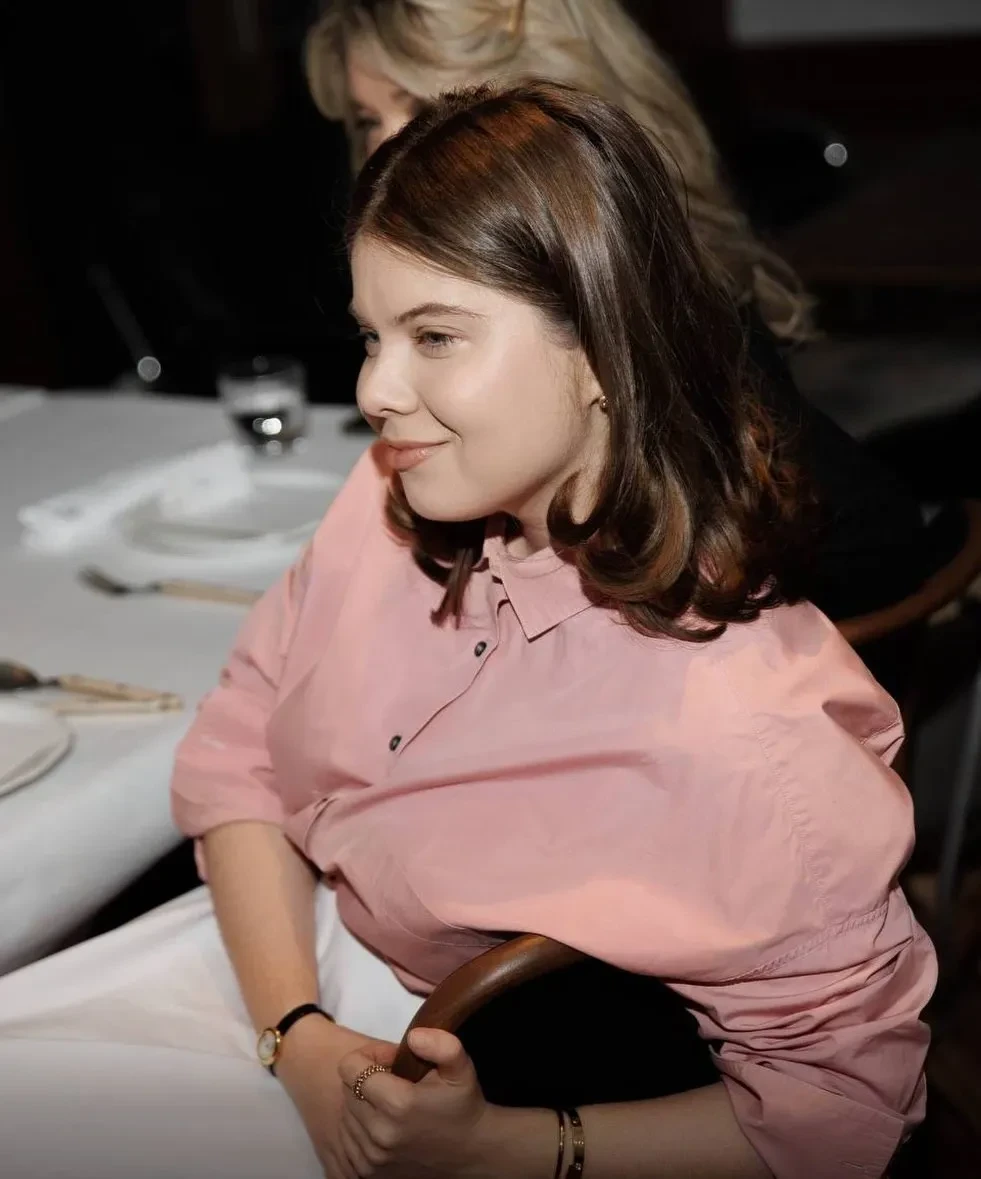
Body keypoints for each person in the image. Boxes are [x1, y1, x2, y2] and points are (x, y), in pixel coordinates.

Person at [0, 83, 933, 1179]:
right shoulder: (390, 496)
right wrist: (294, 1033)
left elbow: (841, 1114)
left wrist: (504, 1146)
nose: (375, 390)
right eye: (372, 335)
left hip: (451, 1071)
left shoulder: (746, 736)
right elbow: (239, 746)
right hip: (284, 965)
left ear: (602, 349)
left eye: (435, 336)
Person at [306, 0, 953, 647]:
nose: (390, 149)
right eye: (368, 120)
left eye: (432, 110)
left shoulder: (661, 308)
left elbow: (866, 541)